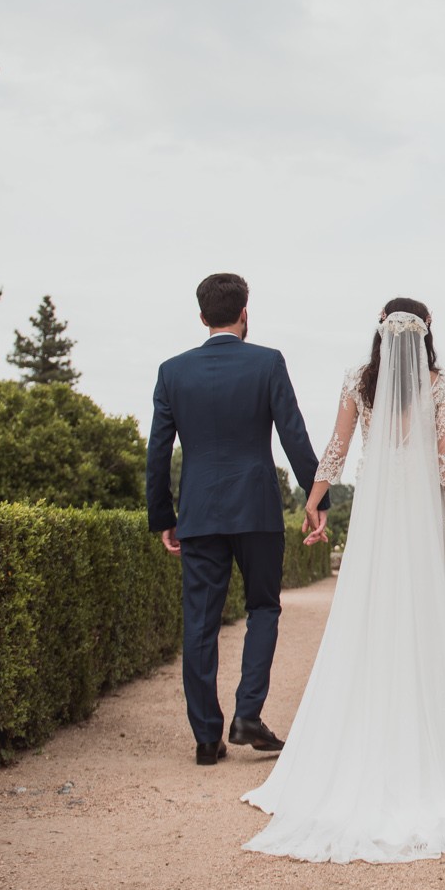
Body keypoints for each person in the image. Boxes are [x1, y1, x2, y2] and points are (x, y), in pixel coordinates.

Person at [240, 297, 445, 863]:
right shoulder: (442, 384)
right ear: (427, 332)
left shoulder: (358, 380)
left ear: (381, 331)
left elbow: (337, 448)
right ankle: (422, 742)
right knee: (421, 621)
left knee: (367, 618)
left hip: (375, 517)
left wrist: (315, 501)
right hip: (419, 517)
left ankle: (364, 737)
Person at [146, 273, 329, 765]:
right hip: (257, 509)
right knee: (263, 608)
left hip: (199, 513)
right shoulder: (267, 362)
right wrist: (318, 498)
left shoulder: (171, 372)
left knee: (199, 623)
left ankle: (207, 738)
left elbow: (158, 450)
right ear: (245, 313)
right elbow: (294, 435)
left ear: (202, 316)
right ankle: (247, 715)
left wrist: (163, 515)